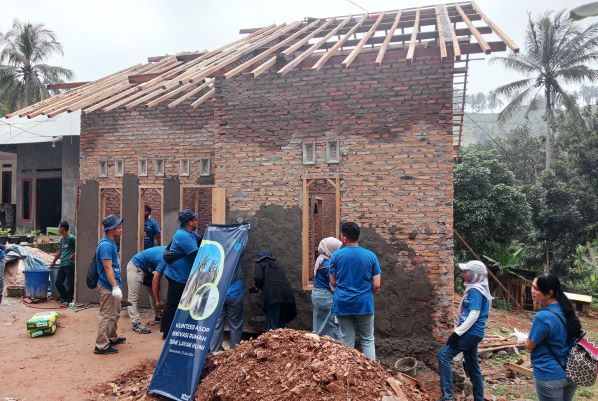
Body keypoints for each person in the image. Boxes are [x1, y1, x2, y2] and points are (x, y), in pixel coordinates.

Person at [437, 260, 492, 401]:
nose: (463, 274)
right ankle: (479, 398)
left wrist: (457, 333)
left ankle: (447, 396)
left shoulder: (475, 290)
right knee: (472, 366)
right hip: (474, 333)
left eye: (466, 271)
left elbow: (474, 314)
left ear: (474, 274)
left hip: (471, 332)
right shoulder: (477, 288)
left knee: (443, 355)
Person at [524, 273, 582, 401]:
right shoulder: (568, 312)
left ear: (549, 293)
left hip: (549, 374)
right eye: (532, 286)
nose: (532, 290)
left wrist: (522, 338)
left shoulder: (543, 317)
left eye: (536, 288)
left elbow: (529, 345)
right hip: (571, 372)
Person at [329, 222, 381, 360]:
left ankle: (347, 375)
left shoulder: (336, 256)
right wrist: (368, 293)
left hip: (343, 303)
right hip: (364, 303)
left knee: (346, 340)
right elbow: (376, 284)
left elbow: (332, 282)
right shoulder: (371, 256)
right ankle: (373, 376)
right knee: (367, 339)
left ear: (344, 238)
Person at [160, 209, 201, 339]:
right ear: (189, 222)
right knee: (173, 304)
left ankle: (178, 329)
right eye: (194, 219)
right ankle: (166, 332)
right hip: (177, 276)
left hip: (182, 275)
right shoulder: (183, 236)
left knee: (182, 303)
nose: (196, 221)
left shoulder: (190, 234)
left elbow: (202, 240)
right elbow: (196, 254)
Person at [94, 214, 126, 355]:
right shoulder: (106, 245)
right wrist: (114, 287)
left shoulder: (111, 242)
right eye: (118, 227)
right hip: (107, 286)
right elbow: (107, 268)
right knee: (106, 315)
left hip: (112, 285)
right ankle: (101, 346)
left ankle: (111, 337)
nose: (121, 229)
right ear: (111, 229)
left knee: (114, 313)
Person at [126, 245, 166, 334]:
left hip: (148, 269)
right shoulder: (165, 259)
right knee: (133, 296)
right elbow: (155, 280)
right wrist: (158, 301)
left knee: (155, 291)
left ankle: (158, 314)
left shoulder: (169, 251)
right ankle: (136, 324)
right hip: (135, 266)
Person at [253, 249, 296, 330]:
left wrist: (258, 287)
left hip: (274, 297)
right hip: (288, 296)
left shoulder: (260, 265)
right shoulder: (278, 268)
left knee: (272, 326)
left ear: (261, 259)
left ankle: (272, 341)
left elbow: (258, 277)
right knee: (281, 325)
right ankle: (281, 341)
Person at [210, 259, 244, 353]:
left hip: (218, 293)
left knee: (216, 324)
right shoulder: (236, 251)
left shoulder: (217, 253)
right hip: (235, 293)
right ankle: (235, 351)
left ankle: (215, 352)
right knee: (235, 324)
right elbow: (243, 245)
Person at [312, 237, 341, 339]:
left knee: (320, 325)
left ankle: (319, 345)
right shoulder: (328, 265)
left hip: (318, 296)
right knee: (332, 325)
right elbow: (333, 283)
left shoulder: (321, 260)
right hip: (326, 297)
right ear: (331, 249)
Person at [50, 221, 76, 307]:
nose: (58, 229)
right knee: (58, 282)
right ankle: (64, 298)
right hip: (62, 264)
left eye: (59, 227)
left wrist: (74, 254)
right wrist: (54, 261)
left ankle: (68, 300)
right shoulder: (62, 239)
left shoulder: (72, 238)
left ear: (63, 228)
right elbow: (60, 252)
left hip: (69, 264)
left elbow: (79, 247)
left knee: (70, 283)